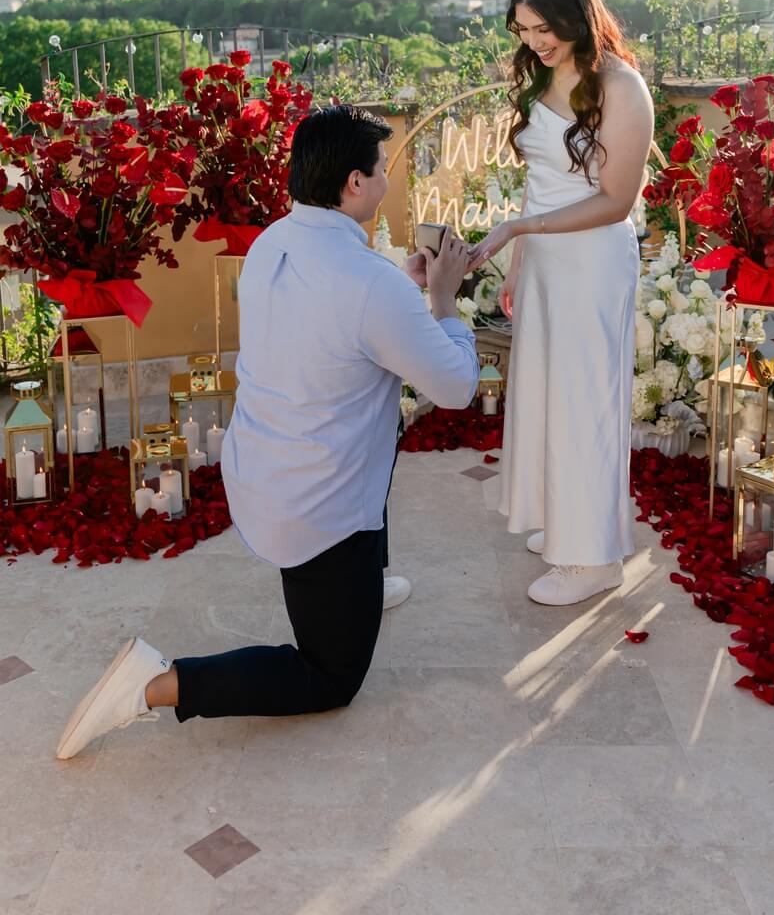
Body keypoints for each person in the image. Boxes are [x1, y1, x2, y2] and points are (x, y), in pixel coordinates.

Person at [57, 105, 477, 759]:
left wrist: (402, 286)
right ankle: (154, 685)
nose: (386, 181)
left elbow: (331, 319)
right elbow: (455, 388)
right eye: (379, 170)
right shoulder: (368, 284)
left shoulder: (274, 242)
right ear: (353, 184)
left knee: (366, 408)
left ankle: (364, 588)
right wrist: (443, 300)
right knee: (330, 676)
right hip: (320, 512)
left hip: (262, 473)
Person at [468, 0, 653, 606]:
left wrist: (521, 231)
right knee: (549, 394)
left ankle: (593, 559)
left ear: (576, 15)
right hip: (546, 260)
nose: (534, 41)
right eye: (522, 29)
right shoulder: (545, 76)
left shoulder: (622, 87)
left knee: (584, 402)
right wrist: (521, 259)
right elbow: (540, 182)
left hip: (592, 263)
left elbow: (616, 200)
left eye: (543, 28)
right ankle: (569, 525)